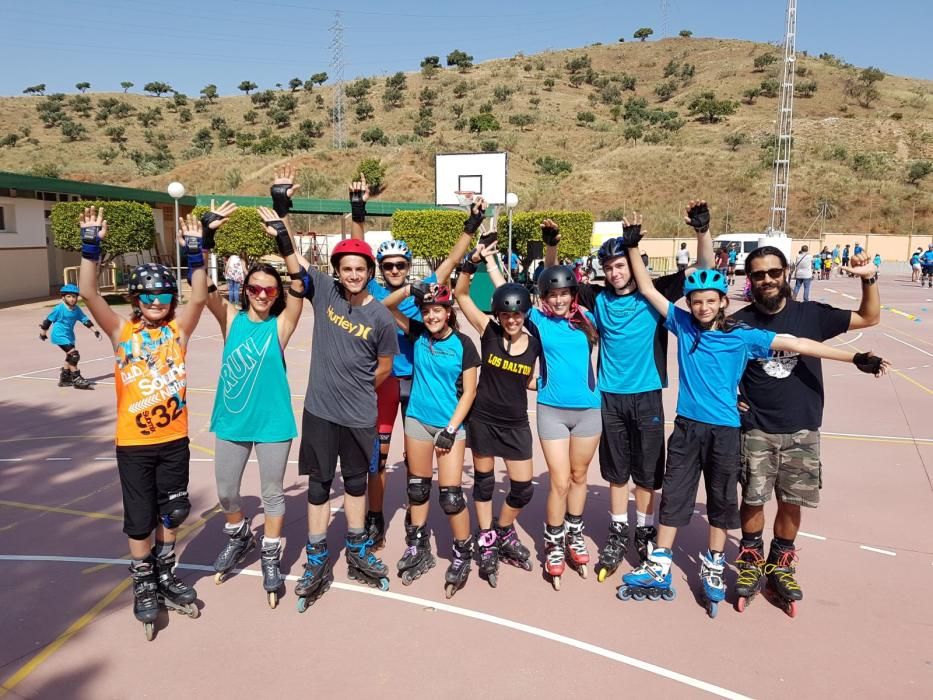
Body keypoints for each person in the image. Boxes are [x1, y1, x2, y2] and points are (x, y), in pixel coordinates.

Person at [617, 215, 889, 616]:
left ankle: (713, 565)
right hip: (689, 428)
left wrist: (855, 358)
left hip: (727, 430)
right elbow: (645, 288)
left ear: (724, 302)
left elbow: (800, 344)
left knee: (723, 500)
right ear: (688, 305)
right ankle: (660, 564)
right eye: (697, 301)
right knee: (674, 495)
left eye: (711, 300)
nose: (704, 306)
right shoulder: (682, 324)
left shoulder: (744, 335)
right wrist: (633, 244)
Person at [79, 201, 232, 637]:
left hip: (173, 440)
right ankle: (143, 582)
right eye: (148, 297)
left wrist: (195, 250)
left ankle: (164, 571)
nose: (157, 303)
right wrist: (91, 248)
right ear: (135, 300)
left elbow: (200, 295)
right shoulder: (121, 333)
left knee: (174, 513)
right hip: (134, 444)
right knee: (140, 518)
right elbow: (89, 294)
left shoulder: (176, 333)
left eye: (164, 296)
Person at [558, 202, 713, 584]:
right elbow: (556, 278)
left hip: (647, 395)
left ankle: (644, 529)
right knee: (616, 472)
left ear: (633, 262)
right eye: (608, 267)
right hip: (609, 395)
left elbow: (705, 268)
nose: (614, 272)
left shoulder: (654, 292)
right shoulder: (598, 298)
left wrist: (702, 231)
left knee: (647, 473)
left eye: (620, 265)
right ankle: (617, 532)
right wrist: (551, 246)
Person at [731, 244, 880, 613]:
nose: (766, 279)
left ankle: (780, 563)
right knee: (752, 497)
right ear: (750, 280)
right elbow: (716, 366)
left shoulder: (811, 315)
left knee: (792, 500)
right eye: (758, 274)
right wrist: (728, 398)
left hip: (802, 426)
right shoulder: (738, 321)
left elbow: (869, 317)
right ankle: (751, 559)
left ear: (786, 274)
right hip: (755, 428)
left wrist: (869, 280)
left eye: (773, 272)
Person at [282, 171, 400, 606]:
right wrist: (282, 213)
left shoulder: (381, 319)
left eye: (360, 269)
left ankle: (356, 549)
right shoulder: (325, 294)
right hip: (319, 412)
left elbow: (386, 364)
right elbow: (293, 261)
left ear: (369, 273)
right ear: (337, 272)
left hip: (358, 414)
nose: (352, 274)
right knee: (317, 485)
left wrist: (360, 387)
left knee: (354, 484)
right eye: (346, 268)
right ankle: (316, 556)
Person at [348, 175, 482, 549]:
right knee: (379, 454)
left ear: (409, 265)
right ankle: (375, 518)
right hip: (386, 381)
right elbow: (357, 251)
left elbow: (454, 258)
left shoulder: (426, 290)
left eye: (400, 265)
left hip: (421, 384)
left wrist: (471, 223)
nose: (393, 270)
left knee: (415, 459)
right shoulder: (373, 291)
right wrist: (359, 211)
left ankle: (415, 513)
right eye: (387, 265)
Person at [205, 171, 306, 608]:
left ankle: (270, 553)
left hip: (272, 422)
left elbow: (300, 284)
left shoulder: (282, 324)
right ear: (244, 289)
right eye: (256, 287)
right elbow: (199, 288)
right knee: (227, 491)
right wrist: (206, 239)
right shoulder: (230, 318)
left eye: (270, 289)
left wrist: (284, 234)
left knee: (271, 493)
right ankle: (239, 531)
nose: (264, 293)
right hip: (231, 419)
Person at [383, 281, 480, 597]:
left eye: (437, 309)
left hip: (448, 426)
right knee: (417, 488)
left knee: (451, 497)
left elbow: (470, 392)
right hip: (417, 422)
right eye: (426, 311)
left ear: (448, 311)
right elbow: (386, 307)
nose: (431, 316)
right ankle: (416, 545)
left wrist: (451, 431)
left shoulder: (464, 345)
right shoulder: (418, 334)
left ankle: (463, 551)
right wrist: (409, 288)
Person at [521, 220, 601, 590]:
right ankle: (553, 542)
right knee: (558, 478)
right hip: (552, 410)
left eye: (565, 293)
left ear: (573, 294)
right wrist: (549, 245)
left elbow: (557, 277)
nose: (558, 299)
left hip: (588, 411)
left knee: (580, 477)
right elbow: (547, 274)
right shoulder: (537, 319)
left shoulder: (587, 318)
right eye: (552, 294)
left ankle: (574, 533)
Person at [455, 244, 542, 585]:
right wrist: (472, 261)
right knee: (485, 483)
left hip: (516, 423)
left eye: (517, 315)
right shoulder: (488, 330)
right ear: (498, 314)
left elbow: (535, 378)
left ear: (524, 314)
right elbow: (461, 294)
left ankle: (504, 529)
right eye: (506, 315)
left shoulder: (535, 341)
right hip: (484, 420)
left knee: (522, 488)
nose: (511, 320)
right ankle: (487, 537)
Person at [38, 282, 101, 390]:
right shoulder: (59, 308)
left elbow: (85, 320)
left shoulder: (77, 309)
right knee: (74, 355)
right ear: (63, 297)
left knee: (69, 356)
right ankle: (77, 379)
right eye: (69, 296)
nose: (72, 299)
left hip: (69, 336)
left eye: (74, 296)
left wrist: (95, 331)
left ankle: (65, 378)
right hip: (59, 335)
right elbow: (48, 321)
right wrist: (43, 333)